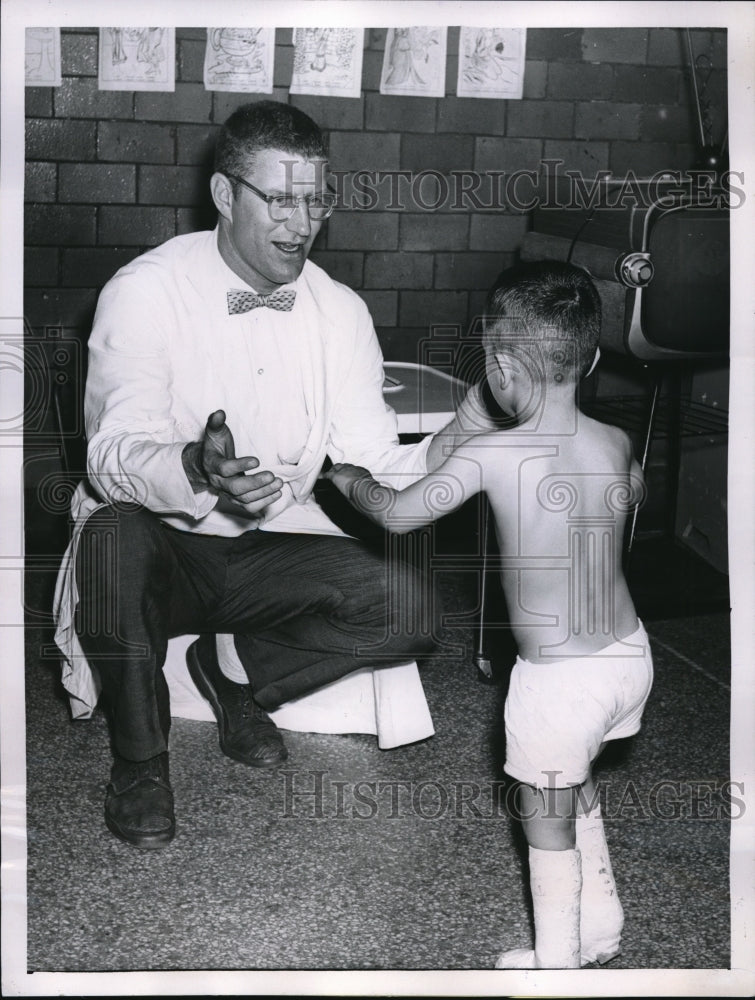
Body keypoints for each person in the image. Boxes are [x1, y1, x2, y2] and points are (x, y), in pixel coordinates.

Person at [54, 100, 457, 850]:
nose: (302, 223)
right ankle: (140, 762)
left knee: (409, 609)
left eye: (316, 200)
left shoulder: (339, 311)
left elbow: (368, 458)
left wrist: (467, 446)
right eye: (279, 199)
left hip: (272, 546)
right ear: (223, 195)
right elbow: (111, 458)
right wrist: (192, 466)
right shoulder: (144, 290)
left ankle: (235, 672)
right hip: (165, 544)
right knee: (111, 535)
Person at [325, 260, 654, 969]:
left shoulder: (494, 455)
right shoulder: (614, 441)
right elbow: (631, 494)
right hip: (627, 657)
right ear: (590, 359)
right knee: (576, 776)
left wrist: (349, 477)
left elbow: (400, 515)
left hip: (557, 682)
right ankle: (600, 924)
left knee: (544, 819)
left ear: (499, 366)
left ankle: (557, 967)